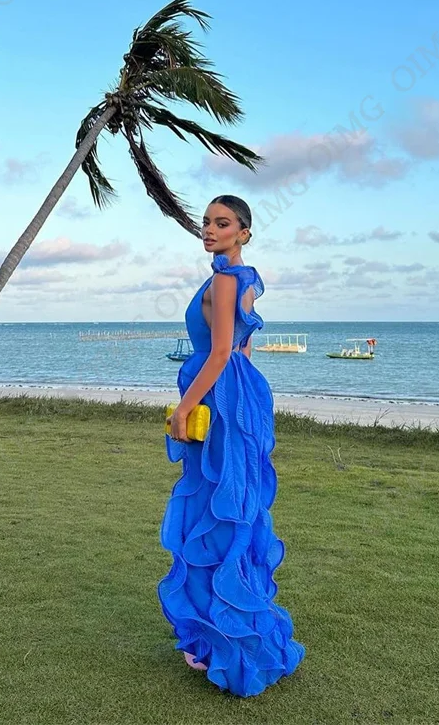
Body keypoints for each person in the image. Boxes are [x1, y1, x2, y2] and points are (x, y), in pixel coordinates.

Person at [157, 194, 306, 698]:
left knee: (214, 505)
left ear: (244, 232)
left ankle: (227, 635)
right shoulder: (249, 279)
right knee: (231, 504)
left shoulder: (225, 279)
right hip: (240, 395)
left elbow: (221, 351)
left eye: (222, 223)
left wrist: (184, 407)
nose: (209, 230)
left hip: (219, 397)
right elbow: (242, 346)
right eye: (205, 223)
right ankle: (221, 625)